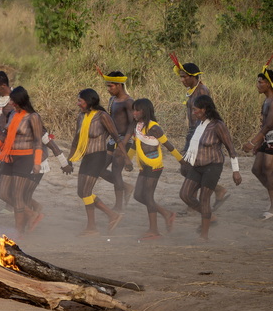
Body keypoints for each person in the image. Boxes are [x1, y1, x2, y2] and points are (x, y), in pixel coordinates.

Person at [64, 88, 129, 235]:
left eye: (80, 101)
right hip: (86, 157)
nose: (78, 103)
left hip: (98, 156)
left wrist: (127, 158)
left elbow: (116, 138)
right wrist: (69, 160)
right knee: (81, 192)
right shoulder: (81, 116)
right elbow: (75, 140)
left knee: (86, 192)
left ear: (88, 101)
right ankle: (111, 215)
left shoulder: (102, 116)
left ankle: (92, 227)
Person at [179, 95, 241, 240]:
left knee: (204, 199)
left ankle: (204, 235)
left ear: (204, 109)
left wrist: (236, 171)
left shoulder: (218, 125)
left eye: (195, 109)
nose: (193, 112)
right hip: (197, 166)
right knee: (185, 194)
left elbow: (231, 148)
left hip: (213, 166)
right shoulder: (200, 124)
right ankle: (210, 217)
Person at [0, 86, 44, 235]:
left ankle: (19, 231)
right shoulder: (12, 114)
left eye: (13, 100)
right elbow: (3, 136)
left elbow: (38, 141)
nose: (10, 103)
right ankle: (31, 214)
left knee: (18, 196)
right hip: (8, 157)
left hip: (24, 159)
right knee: (3, 193)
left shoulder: (33, 117)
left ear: (20, 101)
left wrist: (37, 163)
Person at [172, 56, 229, 207]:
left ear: (193, 76)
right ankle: (214, 191)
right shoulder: (193, 90)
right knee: (187, 168)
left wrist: (202, 133)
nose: (182, 80)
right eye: (181, 77)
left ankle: (206, 195)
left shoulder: (202, 90)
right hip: (194, 131)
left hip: (199, 131)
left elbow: (208, 112)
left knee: (189, 168)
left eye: (184, 77)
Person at [131, 98, 185, 239]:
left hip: (154, 165)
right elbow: (134, 145)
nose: (134, 113)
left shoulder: (154, 127)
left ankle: (154, 230)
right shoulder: (137, 127)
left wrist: (181, 161)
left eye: (137, 110)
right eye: (133, 110)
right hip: (143, 165)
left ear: (145, 111)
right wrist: (126, 160)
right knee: (138, 195)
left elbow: (168, 145)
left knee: (148, 196)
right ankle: (166, 213)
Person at [100, 69, 134, 211]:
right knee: (100, 169)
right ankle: (126, 187)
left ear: (119, 85)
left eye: (111, 86)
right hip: (113, 140)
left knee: (116, 171)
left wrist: (123, 143)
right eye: (107, 86)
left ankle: (118, 206)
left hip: (124, 140)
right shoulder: (112, 100)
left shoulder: (128, 102)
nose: (108, 89)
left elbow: (132, 124)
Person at [244, 65, 273, 219]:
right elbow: (264, 126)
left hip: (272, 137)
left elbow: (269, 125)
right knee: (256, 169)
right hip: (267, 138)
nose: (258, 85)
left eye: (261, 82)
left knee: (268, 169)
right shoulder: (266, 101)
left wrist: (252, 142)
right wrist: (258, 143)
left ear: (269, 84)